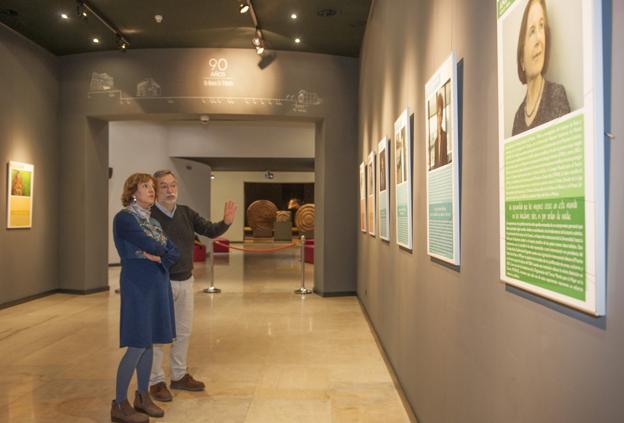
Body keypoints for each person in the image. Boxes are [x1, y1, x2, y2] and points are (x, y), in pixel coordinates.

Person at [148, 169, 236, 402]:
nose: (170, 190)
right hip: (160, 283)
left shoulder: (186, 213)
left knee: (183, 332)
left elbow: (209, 229)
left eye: (173, 185)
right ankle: (155, 381)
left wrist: (226, 222)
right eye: (164, 186)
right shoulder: (149, 216)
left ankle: (178, 375)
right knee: (158, 335)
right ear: (156, 191)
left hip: (185, 281)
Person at [111, 173, 179, 423]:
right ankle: (119, 402)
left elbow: (174, 252)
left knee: (150, 342)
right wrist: (161, 252)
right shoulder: (125, 219)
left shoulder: (154, 222)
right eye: (145, 187)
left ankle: (142, 395)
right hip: (138, 285)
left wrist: (161, 256)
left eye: (152, 187)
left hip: (157, 284)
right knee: (137, 343)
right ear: (132, 192)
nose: (151, 191)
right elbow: (151, 245)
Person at [512, 0, 570, 136]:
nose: (539, 38)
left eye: (541, 26)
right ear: (522, 60)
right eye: (532, 31)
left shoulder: (556, 96)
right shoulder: (518, 117)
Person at [431, 93, 449, 170]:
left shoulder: (445, 136)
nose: (440, 118)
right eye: (438, 115)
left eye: (441, 115)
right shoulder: (435, 141)